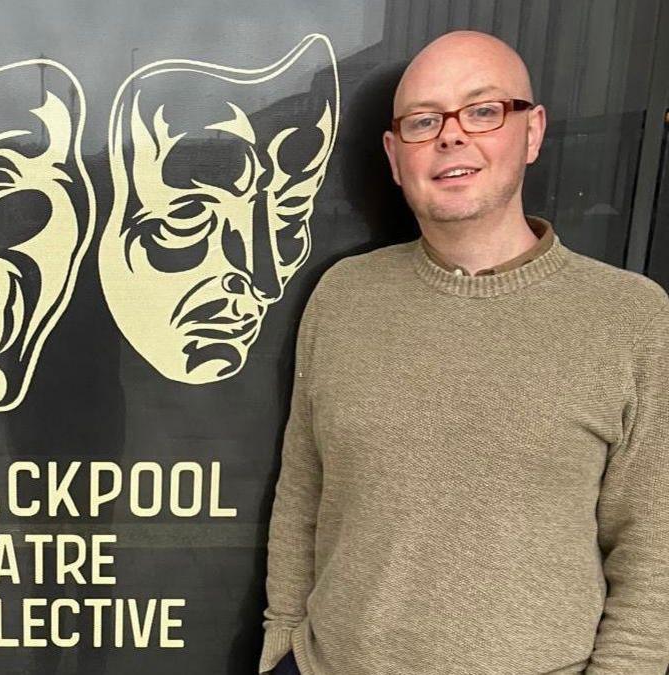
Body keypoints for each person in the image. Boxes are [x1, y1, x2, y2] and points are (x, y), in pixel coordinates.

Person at [260, 30, 669, 675]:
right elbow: (303, 492)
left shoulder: (632, 317)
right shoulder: (343, 296)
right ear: (396, 158)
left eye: (483, 111)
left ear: (532, 133)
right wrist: (281, 644)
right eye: (424, 122)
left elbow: (652, 559)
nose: (452, 136)